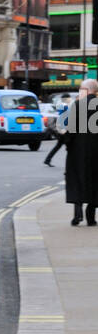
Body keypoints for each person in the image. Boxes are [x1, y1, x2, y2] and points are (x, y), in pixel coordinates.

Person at [61, 80, 98, 226]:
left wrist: (67, 144)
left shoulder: (78, 105)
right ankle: (91, 216)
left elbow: (70, 130)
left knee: (77, 180)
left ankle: (77, 214)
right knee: (95, 182)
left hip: (78, 152)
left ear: (87, 90)